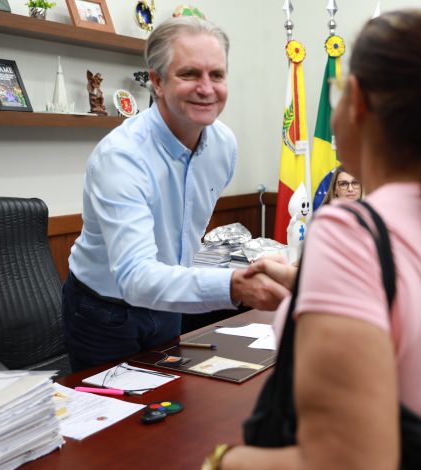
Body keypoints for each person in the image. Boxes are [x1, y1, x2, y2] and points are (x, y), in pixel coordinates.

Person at [203, 9, 421, 470]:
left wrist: (221, 461)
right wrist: (302, 281)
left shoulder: (350, 231)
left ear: (354, 99)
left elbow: (347, 461)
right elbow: (415, 308)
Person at [62, 16, 289, 372]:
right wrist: (235, 286)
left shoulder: (224, 144)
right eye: (189, 74)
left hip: (169, 300)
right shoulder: (121, 157)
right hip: (103, 311)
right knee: (113, 420)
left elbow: (183, 236)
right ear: (157, 81)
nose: (206, 88)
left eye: (216, 75)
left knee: (170, 402)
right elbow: (136, 277)